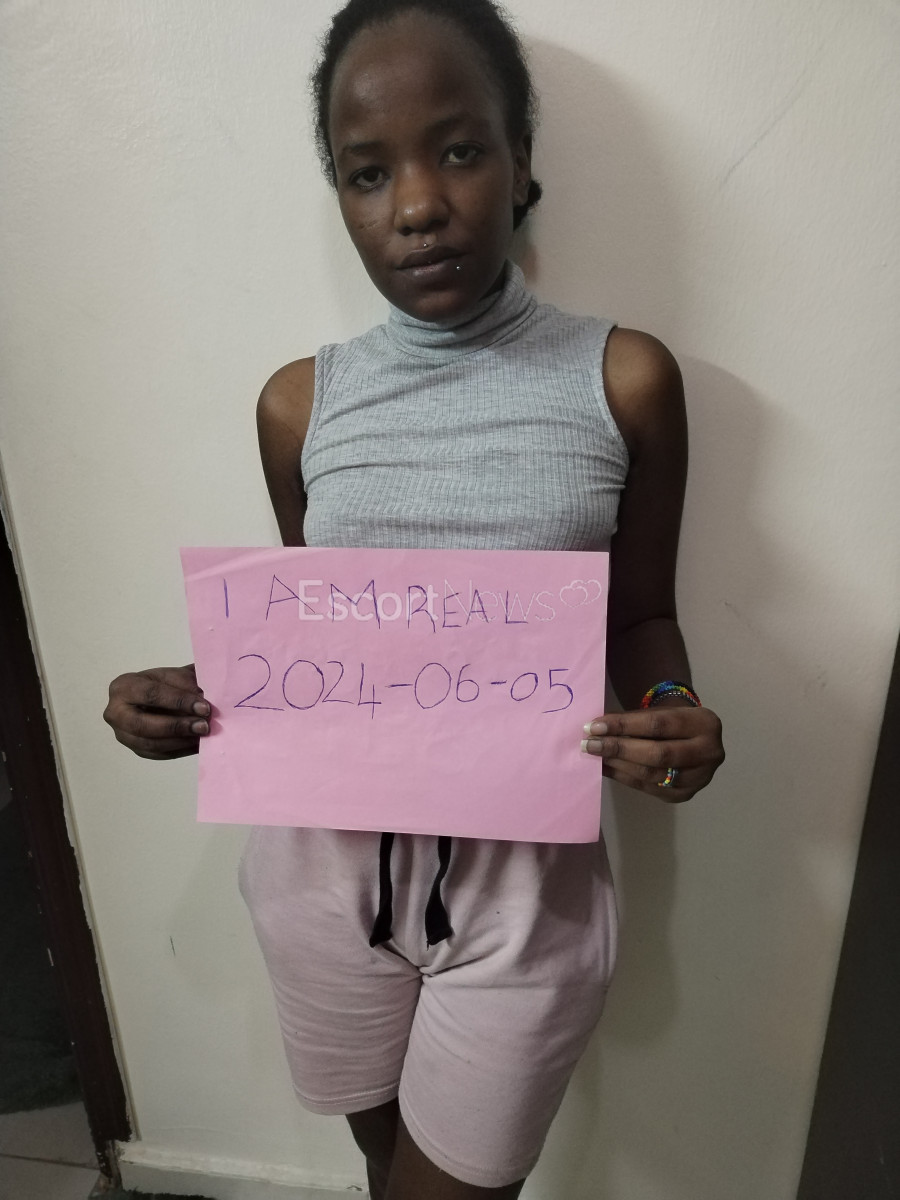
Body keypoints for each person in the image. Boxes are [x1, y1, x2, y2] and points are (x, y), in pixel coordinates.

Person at [103, 1, 725, 1196]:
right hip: (318, 886)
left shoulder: (623, 379)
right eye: (368, 172)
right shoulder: (300, 405)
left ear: (521, 162)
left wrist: (668, 708)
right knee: (388, 1172)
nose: (417, 205)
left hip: (523, 900)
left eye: (460, 149)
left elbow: (643, 614)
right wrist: (188, 701)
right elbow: (329, 647)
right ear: (340, 197)